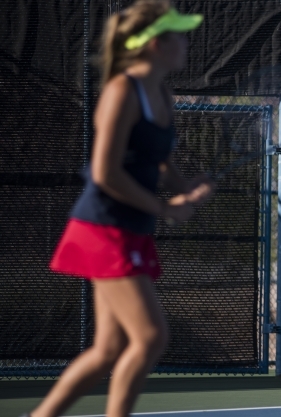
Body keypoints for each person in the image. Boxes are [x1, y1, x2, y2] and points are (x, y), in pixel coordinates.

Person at [23, 2, 214, 417]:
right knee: (150, 338)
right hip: (102, 227)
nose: (185, 44)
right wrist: (166, 209)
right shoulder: (121, 91)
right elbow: (106, 173)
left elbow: (160, 160)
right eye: (177, 36)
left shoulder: (161, 93)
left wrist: (185, 187)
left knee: (108, 349)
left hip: (132, 228)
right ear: (154, 45)